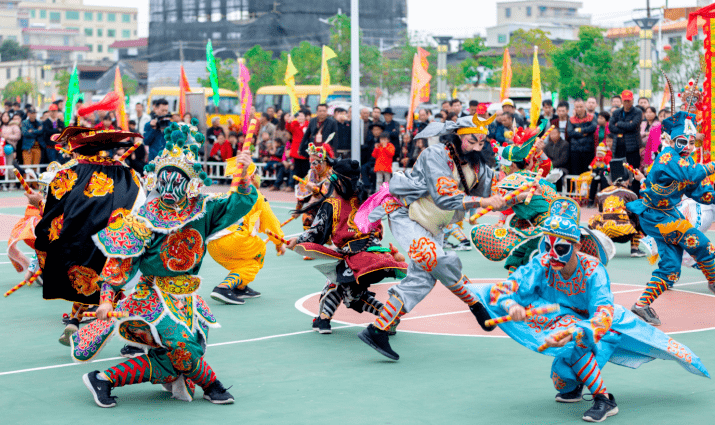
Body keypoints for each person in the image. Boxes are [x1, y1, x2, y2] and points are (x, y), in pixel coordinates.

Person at [468, 197, 710, 423]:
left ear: (576, 245)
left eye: (560, 247)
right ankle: (576, 383)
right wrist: (511, 303)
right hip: (566, 320)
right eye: (546, 244)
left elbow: (603, 313)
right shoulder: (543, 261)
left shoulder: (593, 270)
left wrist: (577, 332)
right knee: (561, 379)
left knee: (575, 344)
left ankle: (604, 399)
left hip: (605, 329)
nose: (551, 254)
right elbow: (505, 287)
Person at [71, 121, 257, 407]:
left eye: (177, 179)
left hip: (189, 298)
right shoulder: (144, 218)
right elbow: (120, 262)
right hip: (153, 296)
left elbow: (239, 203)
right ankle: (213, 385)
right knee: (183, 347)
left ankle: (103, 379)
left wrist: (244, 177)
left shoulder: (202, 209)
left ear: (190, 182)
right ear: (157, 180)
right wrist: (107, 299)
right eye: (165, 179)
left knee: (175, 361)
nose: (170, 186)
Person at [354, 113, 520, 360]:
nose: (477, 147)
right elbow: (445, 196)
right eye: (472, 141)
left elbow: (491, 191)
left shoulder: (478, 165)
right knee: (438, 260)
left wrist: (513, 192)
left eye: (482, 142)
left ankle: (377, 329)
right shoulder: (435, 155)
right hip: (408, 216)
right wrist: (485, 200)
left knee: (423, 277)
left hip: (436, 225)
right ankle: (476, 304)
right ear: (458, 137)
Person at [33, 126, 144, 346]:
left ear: (75, 151)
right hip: (113, 239)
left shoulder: (68, 173)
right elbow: (139, 201)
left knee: (86, 281)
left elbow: (53, 210)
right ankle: (131, 339)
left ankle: (76, 321)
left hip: (78, 239)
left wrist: (38, 210)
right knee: (109, 285)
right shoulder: (124, 170)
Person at [287, 158, 408, 334]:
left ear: (336, 183)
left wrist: (297, 241)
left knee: (336, 281)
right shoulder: (367, 202)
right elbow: (378, 231)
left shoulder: (331, 205)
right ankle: (386, 315)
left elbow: (317, 233)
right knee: (351, 292)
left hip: (356, 258)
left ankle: (323, 320)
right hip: (378, 257)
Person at [627, 110, 715, 326]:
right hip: (655, 215)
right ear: (670, 140)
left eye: (691, 142)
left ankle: (641, 306)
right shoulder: (668, 158)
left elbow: (700, 192)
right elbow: (692, 175)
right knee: (699, 242)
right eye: (682, 141)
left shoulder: (686, 161)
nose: (687, 146)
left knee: (670, 269)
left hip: (668, 214)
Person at [473, 121, 559, 273]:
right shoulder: (525, 179)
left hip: (546, 223)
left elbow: (505, 202)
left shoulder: (523, 178)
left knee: (530, 252)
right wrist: (520, 198)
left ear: (511, 165)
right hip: (544, 220)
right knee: (522, 251)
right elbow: (507, 202)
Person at [209, 162, 284, 304]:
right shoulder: (256, 195)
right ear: (253, 176)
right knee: (258, 255)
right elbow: (270, 222)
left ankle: (240, 286)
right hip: (234, 238)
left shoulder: (230, 194)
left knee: (243, 264)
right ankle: (224, 288)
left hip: (213, 244)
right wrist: (279, 242)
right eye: (256, 173)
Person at [589, 175, 645, 257]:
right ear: (627, 181)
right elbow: (637, 215)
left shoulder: (601, 194)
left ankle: (602, 246)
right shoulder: (631, 194)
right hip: (626, 233)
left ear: (611, 181)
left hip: (606, 233)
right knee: (638, 216)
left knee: (594, 219)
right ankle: (634, 248)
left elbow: (601, 211)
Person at [295, 143, 333, 237]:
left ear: (324, 162)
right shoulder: (312, 173)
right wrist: (298, 209)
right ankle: (310, 240)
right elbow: (302, 192)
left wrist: (316, 190)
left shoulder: (332, 174)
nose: (312, 166)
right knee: (307, 216)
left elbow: (329, 194)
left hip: (334, 208)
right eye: (311, 162)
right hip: (319, 205)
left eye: (315, 163)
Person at [608, 90, 643, 193]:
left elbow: (633, 126)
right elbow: (611, 127)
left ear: (632, 100)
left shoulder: (637, 112)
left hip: (632, 147)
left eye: (629, 101)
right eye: (625, 101)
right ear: (622, 101)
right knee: (618, 174)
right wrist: (626, 125)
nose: (627, 103)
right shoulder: (616, 112)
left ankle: (634, 196)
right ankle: (618, 197)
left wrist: (619, 124)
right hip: (618, 147)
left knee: (634, 174)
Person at [566, 99, 597, 176]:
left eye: (581, 106)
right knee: (576, 173)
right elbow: (570, 132)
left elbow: (593, 128)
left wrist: (579, 130)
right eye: (577, 107)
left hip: (588, 149)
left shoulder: (592, 117)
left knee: (587, 173)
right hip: (575, 150)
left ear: (585, 106)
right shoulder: (571, 119)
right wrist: (584, 133)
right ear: (574, 108)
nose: (579, 109)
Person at [287, 110, 310, 178]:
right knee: (297, 169)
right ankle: (298, 185)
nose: (300, 117)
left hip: (305, 149)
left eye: (301, 115)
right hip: (296, 149)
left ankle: (305, 184)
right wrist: (289, 120)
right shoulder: (294, 123)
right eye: (298, 116)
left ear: (305, 117)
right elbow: (288, 128)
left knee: (305, 169)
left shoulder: (308, 124)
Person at [361, 122, 383, 191]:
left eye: (378, 130)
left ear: (381, 131)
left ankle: (374, 187)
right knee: (363, 168)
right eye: (374, 130)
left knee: (372, 171)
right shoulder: (369, 140)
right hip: (371, 161)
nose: (376, 132)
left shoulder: (383, 140)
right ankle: (367, 186)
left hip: (380, 162)